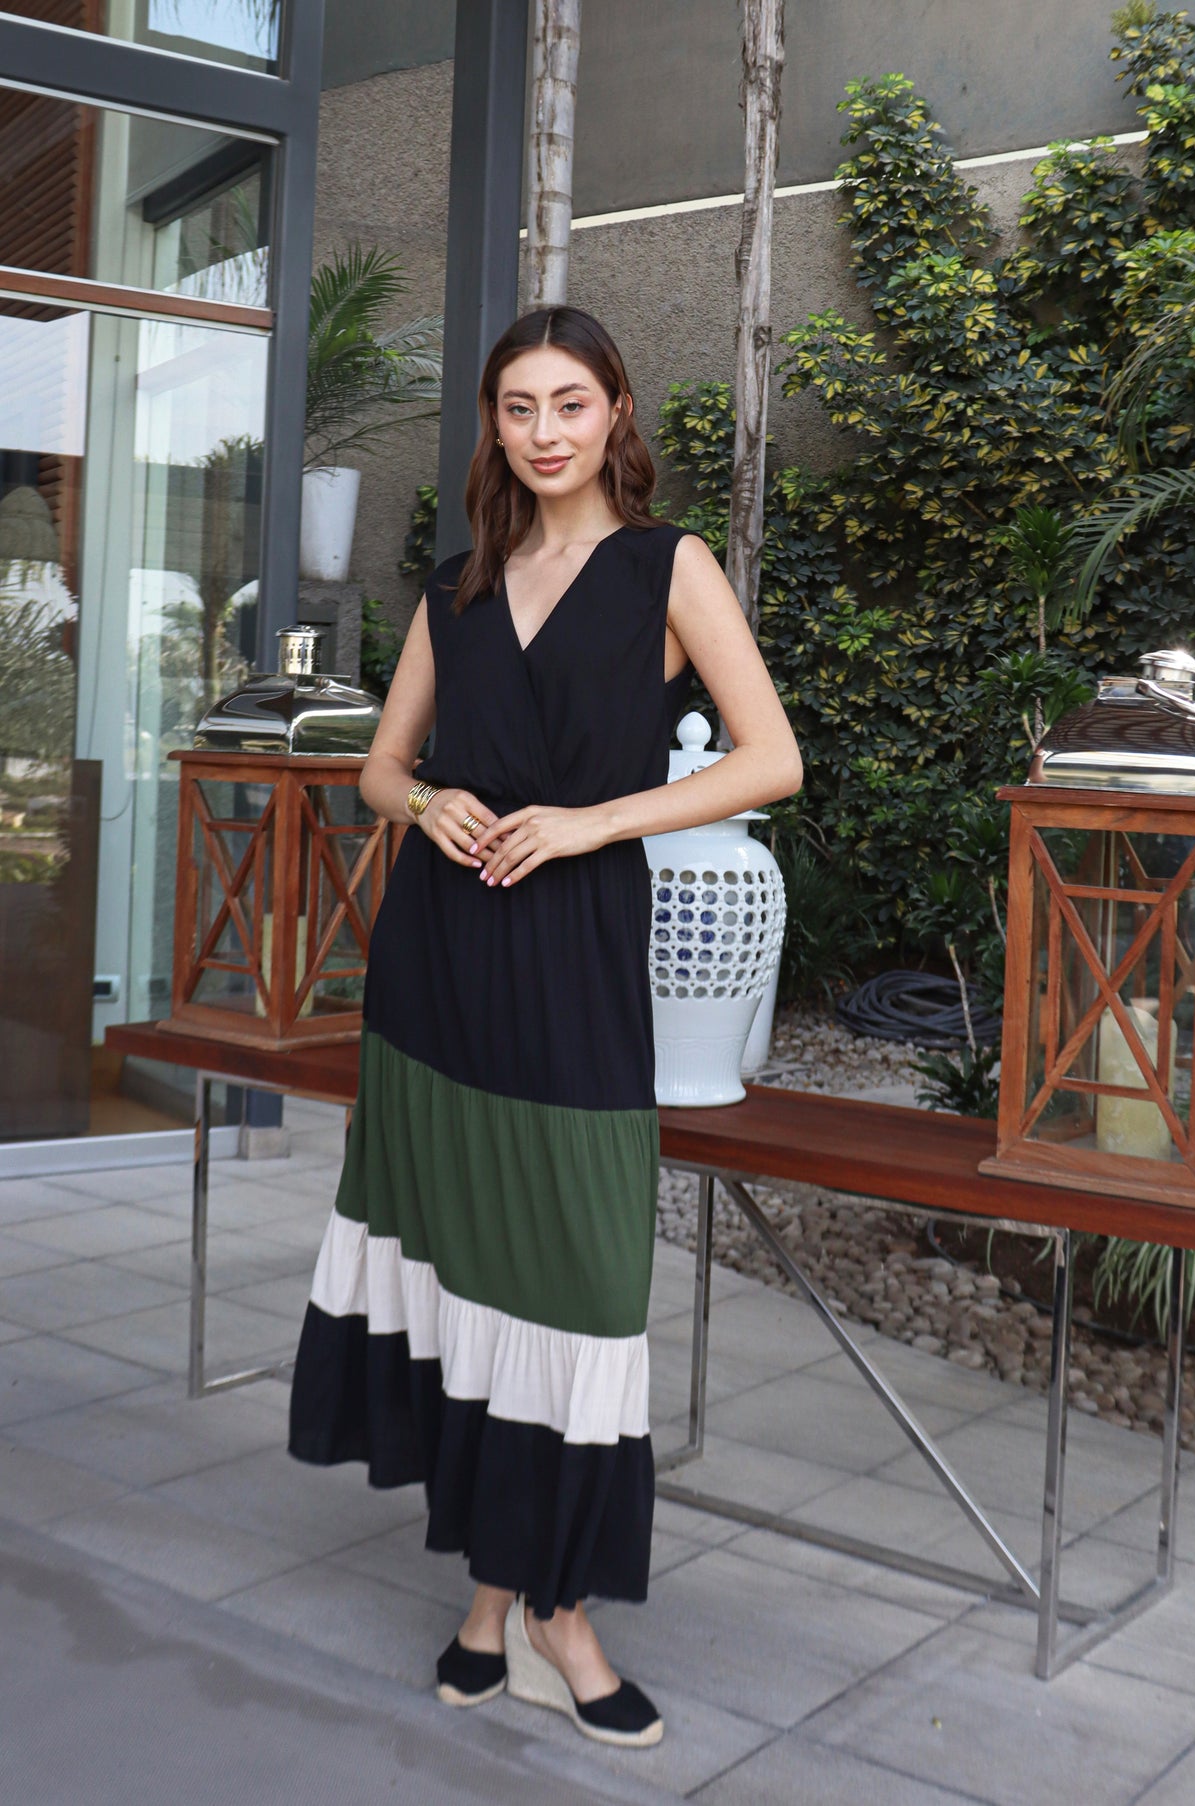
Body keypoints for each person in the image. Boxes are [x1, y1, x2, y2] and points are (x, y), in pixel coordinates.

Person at [287, 305, 803, 1750]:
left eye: (570, 402)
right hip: (436, 971)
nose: (545, 431)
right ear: (494, 426)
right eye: (518, 407)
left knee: (577, 1286)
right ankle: (496, 1602)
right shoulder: (455, 587)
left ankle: (554, 1609)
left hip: (573, 965)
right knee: (471, 1282)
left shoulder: (665, 567)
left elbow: (773, 757)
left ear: (616, 410)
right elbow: (380, 769)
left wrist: (592, 822)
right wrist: (426, 799)